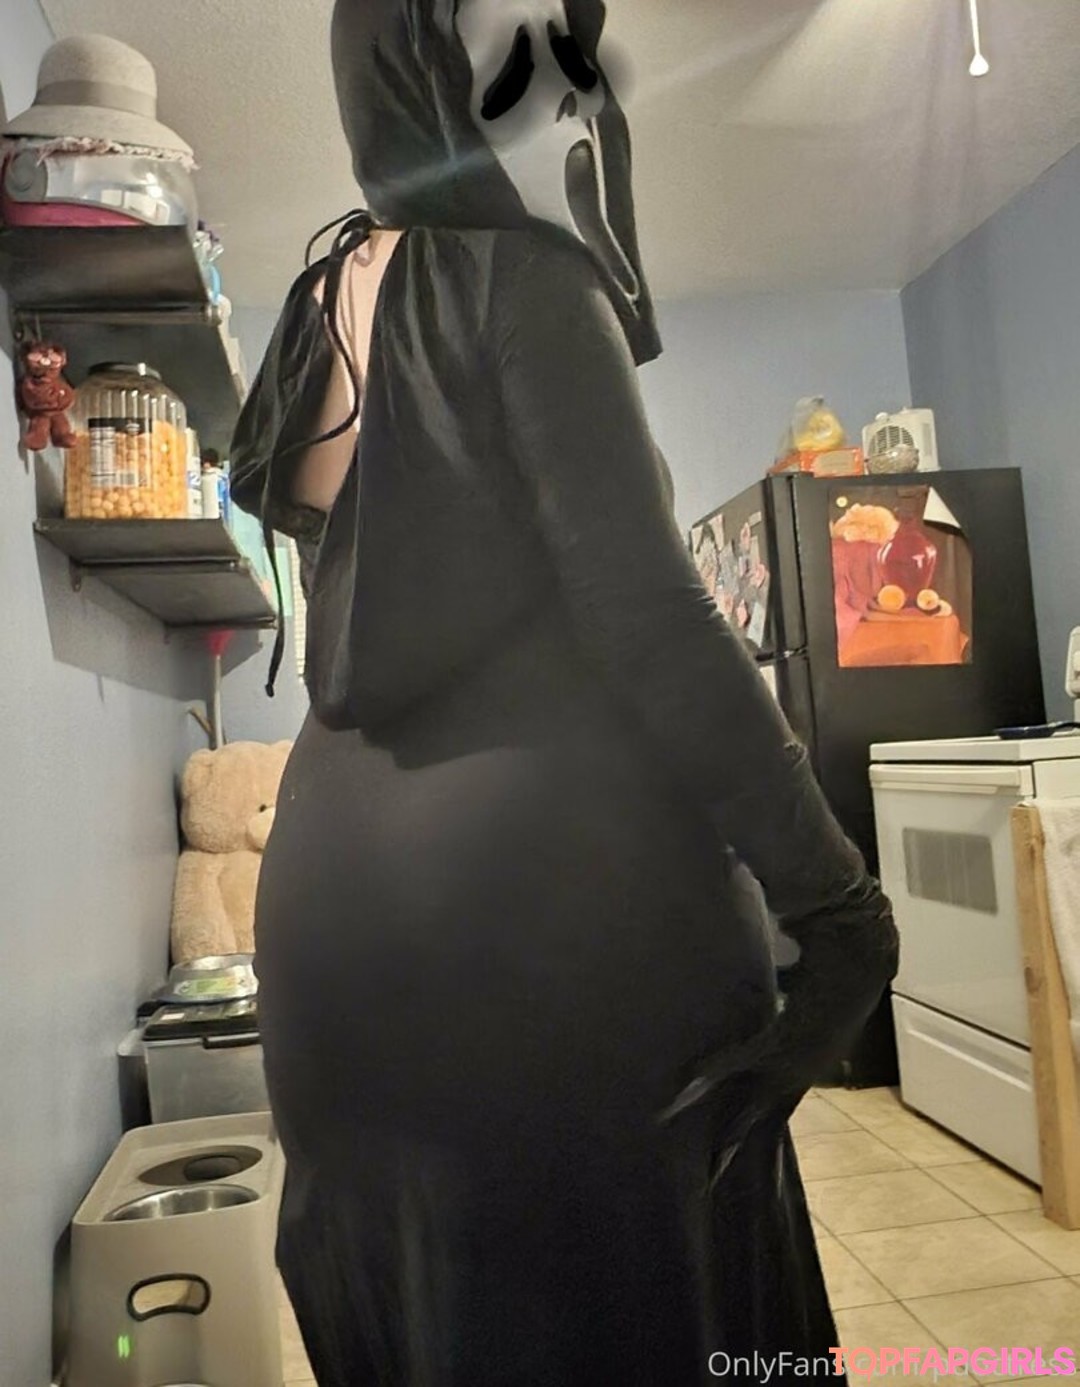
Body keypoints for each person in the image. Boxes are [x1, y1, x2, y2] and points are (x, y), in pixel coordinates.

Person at [230, 2, 899, 1383]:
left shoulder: (316, 314)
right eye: (526, 33)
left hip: (332, 938)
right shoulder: (521, 275)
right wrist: (841, 907)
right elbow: (653, 615)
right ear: (428, 55)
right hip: (547, 948)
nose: (576, 77)